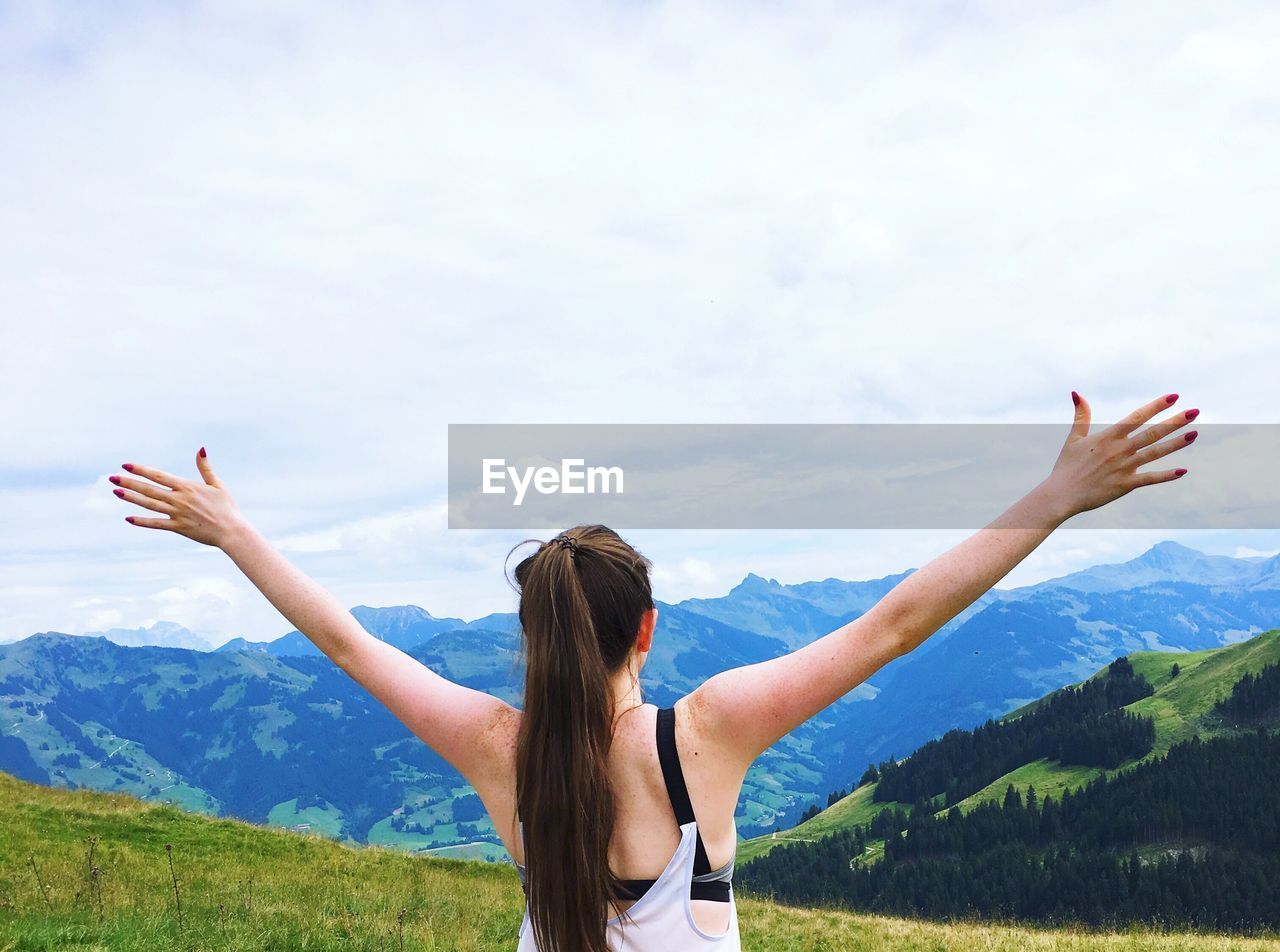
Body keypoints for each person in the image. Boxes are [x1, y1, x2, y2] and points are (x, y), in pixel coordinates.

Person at [108, 392, 1196, 951]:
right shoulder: (706, 737)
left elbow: (348, 642)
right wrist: (1052, 498)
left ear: (531, 642)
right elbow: (891, 626)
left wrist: (235, 534)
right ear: (647, 631)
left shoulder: (499, 748)